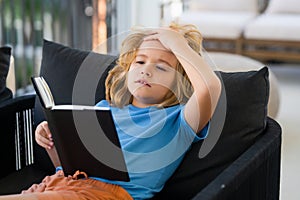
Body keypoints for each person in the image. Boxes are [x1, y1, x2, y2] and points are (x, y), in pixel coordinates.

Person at [0, 22, 221, 200]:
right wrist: (51, 140)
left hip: (107, 195)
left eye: (161, 67)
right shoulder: (102, 109)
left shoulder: (178, 121)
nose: (146, 71)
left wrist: (178, 44)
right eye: (140, 61)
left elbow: (210, 87)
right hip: (60, 184)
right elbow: (68, 167)